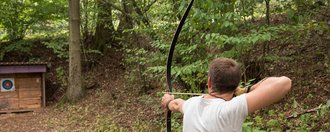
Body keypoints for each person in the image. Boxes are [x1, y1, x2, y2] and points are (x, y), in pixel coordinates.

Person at [161, 58, 292, 131]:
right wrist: (246, 90)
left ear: (209, 82)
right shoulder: (230, 110)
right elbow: (285, 83)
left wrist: (168, 102)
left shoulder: (191, 104)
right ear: (236, 85)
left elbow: (177, 104)